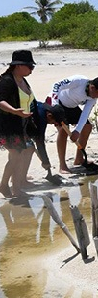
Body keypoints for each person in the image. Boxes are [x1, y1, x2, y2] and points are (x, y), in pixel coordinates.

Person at [48, 75, 98, 174]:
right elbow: (57, 85)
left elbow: (85, 114)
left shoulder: (92, 98)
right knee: (64, 130)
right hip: (57, 103)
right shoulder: (79, 80)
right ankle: (62, 165)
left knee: (87, 127)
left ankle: (79, 159)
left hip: (72, 107)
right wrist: (54, 104)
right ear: (92, 87)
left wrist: (77, 131)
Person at [0, 50, 38, 197]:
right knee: (16, 155)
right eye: (29, 66)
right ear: (18, 66)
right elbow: (0, 101)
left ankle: (16, 189)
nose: (31, 70)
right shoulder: (7, 81)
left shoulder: (22, 80)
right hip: (7, 125)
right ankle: (4, 185)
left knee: (21, 154)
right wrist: (14, 111)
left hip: (21, 125)